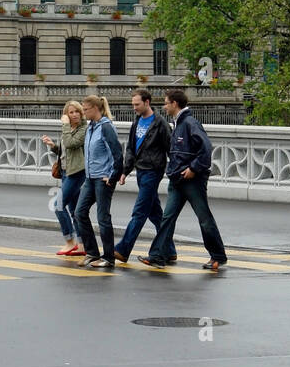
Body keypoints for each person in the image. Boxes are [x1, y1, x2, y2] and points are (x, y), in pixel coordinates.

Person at [140, 88, 228, 270]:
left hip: (192, 180)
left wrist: (193, 169)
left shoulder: (189, 123)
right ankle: (157, 255)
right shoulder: (179, 123)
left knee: (204, 218)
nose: (164, 106)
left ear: (174, 104)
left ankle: (218, 255)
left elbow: (206, 149)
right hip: (178, 179)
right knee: (167, 218)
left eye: (166, 103)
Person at [111, 89, 175, 264]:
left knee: (139, 211)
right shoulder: (137, 121)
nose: (134, 108)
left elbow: (171, 149)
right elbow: (131, 148)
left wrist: (174, 172)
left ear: (147, 103)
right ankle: (170, 250)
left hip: (153, 172)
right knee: (155, 213)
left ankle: (123, 250)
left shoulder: (160, 123)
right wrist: (125, 171)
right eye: (133, 105)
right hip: (141, 171)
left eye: (137, 104)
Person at [73, 95, 122, 268]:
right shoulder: (90, 127)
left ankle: (108, 257)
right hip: (90, 178)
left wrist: (113, 175)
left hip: (103, 178)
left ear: (95, 108)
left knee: (103, 217)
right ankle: (92, 253)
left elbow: (117, 154)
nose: (83, 113)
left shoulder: (106, 127)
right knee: (79, 213)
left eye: (85, 110)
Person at [41, 100, 87, 256]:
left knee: (57, 205)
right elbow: (66, 150)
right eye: (70, 112)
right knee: (74, 211)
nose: (74, 115)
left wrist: (65, 126)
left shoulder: (83, 129)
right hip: (66, 172)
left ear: (81, 113)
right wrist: (53, 146)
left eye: (76, 112)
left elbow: (72, 143)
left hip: (77, 172)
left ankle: (70, 241)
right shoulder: (70, 129)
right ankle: (82, 245)